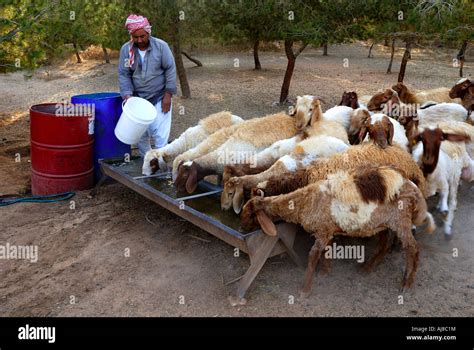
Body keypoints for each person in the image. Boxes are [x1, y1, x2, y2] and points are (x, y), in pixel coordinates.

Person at [118, 14, 177, 156]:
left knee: (160, 136)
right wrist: (127, 97)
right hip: (138, 100)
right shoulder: (126, 50)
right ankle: (148, 163)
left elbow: (170, 68)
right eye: (135, 37)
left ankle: (161, 167)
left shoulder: (161, 47)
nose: (139, 40)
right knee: (141, 136)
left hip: (159, 96)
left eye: (142, 36)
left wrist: (168, 95)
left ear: (148, 32)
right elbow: (124, 74)